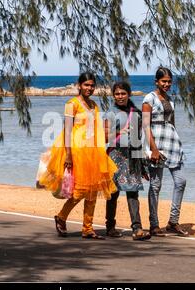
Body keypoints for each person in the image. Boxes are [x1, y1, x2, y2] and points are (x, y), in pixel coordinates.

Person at [39, 72, 118, 239]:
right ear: (79, 85)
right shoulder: (71, 104)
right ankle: (61, 216)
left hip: (93, 151)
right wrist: (68, 154)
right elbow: (67, 130)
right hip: (76, 151)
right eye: (86, 85)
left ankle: (87, 228)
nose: (89, 88)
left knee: (93, 190)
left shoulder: (94, 105)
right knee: (80, 190)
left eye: (91, 85)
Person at [142, 67, 189, 237]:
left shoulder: (170, 99)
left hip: (172, 144)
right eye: (164, 81)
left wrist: (178, 142)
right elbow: (146, 125)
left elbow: (172, 123)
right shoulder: (149, 99)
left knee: (181, 181)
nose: (167, 84)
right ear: (157, 82)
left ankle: (173, 222)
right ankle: (154, 224)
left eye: (169, 81)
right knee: (155, 185)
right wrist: (153, 149)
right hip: (157, 145)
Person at [104, 81, 151, 241]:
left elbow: (138, 140)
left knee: (133, 193)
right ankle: (110, 227)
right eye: (117, 94)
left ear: (128, 94)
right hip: (114, 157)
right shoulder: (110, 113)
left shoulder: (136, 113)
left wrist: (143, 167)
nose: (120, 96)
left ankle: (137, 229)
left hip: (132, 158)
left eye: (123, 93)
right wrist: (120, 131)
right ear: (113, 96)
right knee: (113, 194)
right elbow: (103, 137)